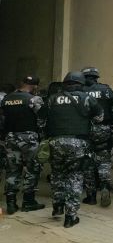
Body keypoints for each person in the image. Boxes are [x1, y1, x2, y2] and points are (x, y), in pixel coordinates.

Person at [45, 72, 104, 228]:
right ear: (81, 83)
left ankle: (57, 207)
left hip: (56, 141)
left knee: (57, 174)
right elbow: (99, 118)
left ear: (65, 83)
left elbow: (43, 119)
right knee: (75, 177)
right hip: (78, 142)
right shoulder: (86, 98)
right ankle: (71, 216)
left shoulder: (52, 98)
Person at [1, 76, 45, 214]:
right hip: (29, 138)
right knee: (32, 169)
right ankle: (28, 201)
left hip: (10, 137)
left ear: (22, 83)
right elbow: (42, 119)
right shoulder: (34, 99)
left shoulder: (7, 99)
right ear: (35, 86)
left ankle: (11, 203)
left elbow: (2, 118)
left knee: (12, 170)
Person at [81, 67, 113, 207]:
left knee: (88, 162)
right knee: (104, 160)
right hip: (104, 129)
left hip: (86, 129)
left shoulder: (81, 91)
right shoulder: (106, 90)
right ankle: (105, 186)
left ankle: (91, 196)